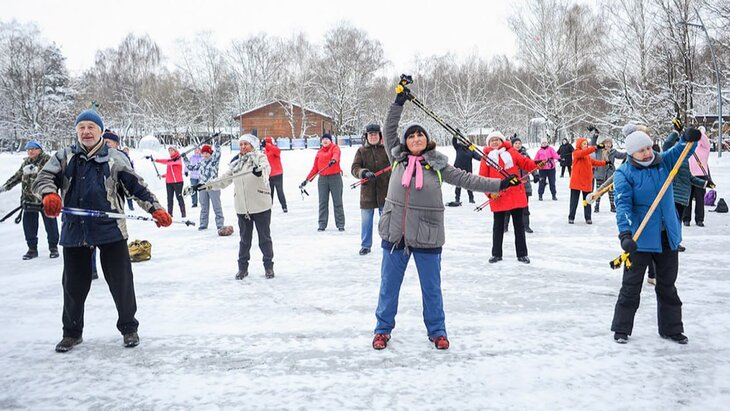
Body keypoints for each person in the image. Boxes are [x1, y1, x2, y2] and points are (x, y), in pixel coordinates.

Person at [372, 90, 520, 350]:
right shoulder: (397, 158)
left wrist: (500, 183)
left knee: (432, 289)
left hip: (427, 235)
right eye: (411, 136)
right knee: (388, 288)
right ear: (405, 141)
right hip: (395, 233)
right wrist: (398, 102)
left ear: (427, 140)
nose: (416, 139)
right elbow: (389, 127)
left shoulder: (438, 165)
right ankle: (382, 330)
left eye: (420, 135)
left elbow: (468, 179)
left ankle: (437, 331)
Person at [32, 109, 172, 353]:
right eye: (82, 127)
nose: (86, 132)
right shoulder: (64, 156)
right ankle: (71, 333)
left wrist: (156, 209)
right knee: (73, 286)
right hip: (75, 229)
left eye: (91, 127)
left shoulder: (115, 158)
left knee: (121, 283)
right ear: (77, 131)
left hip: (110, 229)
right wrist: (49, 194)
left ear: (100, 131)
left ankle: (129, 328)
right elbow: (44, 178)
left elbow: (137, 187)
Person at [610, 126, 701, 345]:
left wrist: (689, 138)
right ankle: (621, 328)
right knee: (631, 287)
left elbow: (682, 150)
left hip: (667, 236)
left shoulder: (663, 163)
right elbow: (623, 205)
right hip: (639, 239)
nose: (647, 153)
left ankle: (671, 329)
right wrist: (625, 234)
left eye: (649, 148)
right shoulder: (624, 174)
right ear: (631, 153)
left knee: (668, 286)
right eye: (641, 150)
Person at [200, 134, 275, 279]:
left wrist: (259, 170)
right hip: (242, 208)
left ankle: (268, 267)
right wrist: (205, 185)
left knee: (264, 239)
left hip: (260, 206)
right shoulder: (236, 163)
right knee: (244, 241)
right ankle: (242, 268)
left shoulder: (260, 157)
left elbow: (266, 168)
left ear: (252, 145)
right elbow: (224, 180)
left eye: (246, 144)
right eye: (241, 144)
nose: (243, 147)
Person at [479, 133, 537, 263]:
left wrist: (537, 163)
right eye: (492, 140)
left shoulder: (511, 152)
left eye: (497, 140)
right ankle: (496, 254)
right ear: (489, 143)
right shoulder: (486, 157)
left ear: (502, 141)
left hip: (515, 193)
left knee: (519, 226)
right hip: (498, 195)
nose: (495, 142)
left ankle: (522, 254)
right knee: (498, 227)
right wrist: (490, 194)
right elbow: (482, 179)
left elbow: (525, 163)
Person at [0, 140, 59, 260]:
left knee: (50, 225)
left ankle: (53, 247)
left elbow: (55, 177)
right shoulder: (26, 163)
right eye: (28, 149)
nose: (30, 151)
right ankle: (32, 249)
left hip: (45, 200)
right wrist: (4, 187)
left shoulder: (47, 161)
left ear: (39, 150)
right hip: (28, 200)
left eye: (33, 149)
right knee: (29, 226)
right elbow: (17, 177)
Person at [351, 124, 390, 255]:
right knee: (366, 221)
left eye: (375, 134)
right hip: (367, 193)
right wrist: (363, 173)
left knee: (386, 220)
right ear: (366, 137)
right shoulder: (361, 151)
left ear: (380, 136)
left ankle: (388, 243)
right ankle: (366, 245)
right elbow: (355, 168)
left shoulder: (386, 150)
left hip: (385, 191)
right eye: (370, 134)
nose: (373, 136)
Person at [300, 133, 345, 231]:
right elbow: (315, 168)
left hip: (335, 178)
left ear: (330, 140)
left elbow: (336, 155)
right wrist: (307, 180)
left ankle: (340, 224)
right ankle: (322, 224)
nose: (325, 140)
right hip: (323, 180)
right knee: (323, 202)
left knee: (337, 201)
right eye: (323, 139)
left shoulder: (335, 148)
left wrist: (333, 160)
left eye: (327, 139)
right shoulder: (319, 153)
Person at [568, 130, 606, 224]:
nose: (585, 145)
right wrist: (595, 147)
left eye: (586, 144)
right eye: (584, 144)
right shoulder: (576, 153)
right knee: (574, 201)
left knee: (587, 201)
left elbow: (595, 162)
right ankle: (571, 217)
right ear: (579, 145)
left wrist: (606, 163)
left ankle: (588, 217)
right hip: (576, 182)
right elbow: (583, 152)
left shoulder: (587, 157)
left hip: (586, 181)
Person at [184, 143, 224, 230]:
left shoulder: (214, 160)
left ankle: (220, 224)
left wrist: (217, 143)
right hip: (202, 186)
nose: (205, 155)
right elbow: (191, 168)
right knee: (204, 207)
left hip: (213, 186)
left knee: (217, 206)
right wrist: (185, 159)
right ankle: (203, 224)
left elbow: (218, 152)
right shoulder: (201, 162)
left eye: (207, 153)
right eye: (203, 153)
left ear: (210, 153)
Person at [503, 136, 539, 234]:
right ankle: (504, 226)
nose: (518, 145)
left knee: (524, 207)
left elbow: (531, 165)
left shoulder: (525, 155)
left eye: (519, 143)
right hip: (512, 185)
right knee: (508, 207)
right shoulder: (507, 155)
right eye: (516, 143)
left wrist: (535, 174)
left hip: (524, 185)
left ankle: (526, 226)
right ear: (512, 145)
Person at [591, 131, 627, 213]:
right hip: (600, 173)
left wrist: (631, 152)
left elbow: (622, 155)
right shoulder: (599, 150)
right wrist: (595, 136)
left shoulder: (613, 152)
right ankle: (597, 205)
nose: (608, 144)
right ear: (603, 143)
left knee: (611, 191)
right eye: (606, 143)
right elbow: (593, 145)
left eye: (610, 143)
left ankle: (612, 205)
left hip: (610, 174)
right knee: (599, 190)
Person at [683, 126, 712, 227]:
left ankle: (699, 219)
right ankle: (686, 218)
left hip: (701, 175)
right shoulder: (690, 146)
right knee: (688, 199)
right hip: (689, 174)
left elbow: (704, 139)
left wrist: (699, 132)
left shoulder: (705, 147)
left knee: (700, 199)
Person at [447, 134, 482, 206]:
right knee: (458, 185)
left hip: (468, 170)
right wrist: (455, 135)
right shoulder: (458, 147)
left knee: (468, 185)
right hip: (458, 169)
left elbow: (478, 157)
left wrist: (484, 158)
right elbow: (454, 142)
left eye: (467, 141)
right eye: (464, 141)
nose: (465, 142)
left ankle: (471, 199)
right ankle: (457, 199)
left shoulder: (471, 149)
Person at [153, 146, 186, 218]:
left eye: (172, 150)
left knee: (179, 197)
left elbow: (168, 162)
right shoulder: (170, 160)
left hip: (178, 182)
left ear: (175, 151)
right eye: (169, 151)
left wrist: (157, 160)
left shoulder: (178, 159)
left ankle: (183, 214)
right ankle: (170, 214)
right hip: (169, 182)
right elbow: (170, 172)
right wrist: (162, 176)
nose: (170, 152)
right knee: (169, 199)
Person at [263, 136, 288, 213]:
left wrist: (267, 145)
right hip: (269, 174)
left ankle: (284, 206)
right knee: (270, 192)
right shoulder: (264, 152)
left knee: (279, 191)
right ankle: (269, 207)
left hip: (277, 174)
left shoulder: (274, 149)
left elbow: (278, 151)